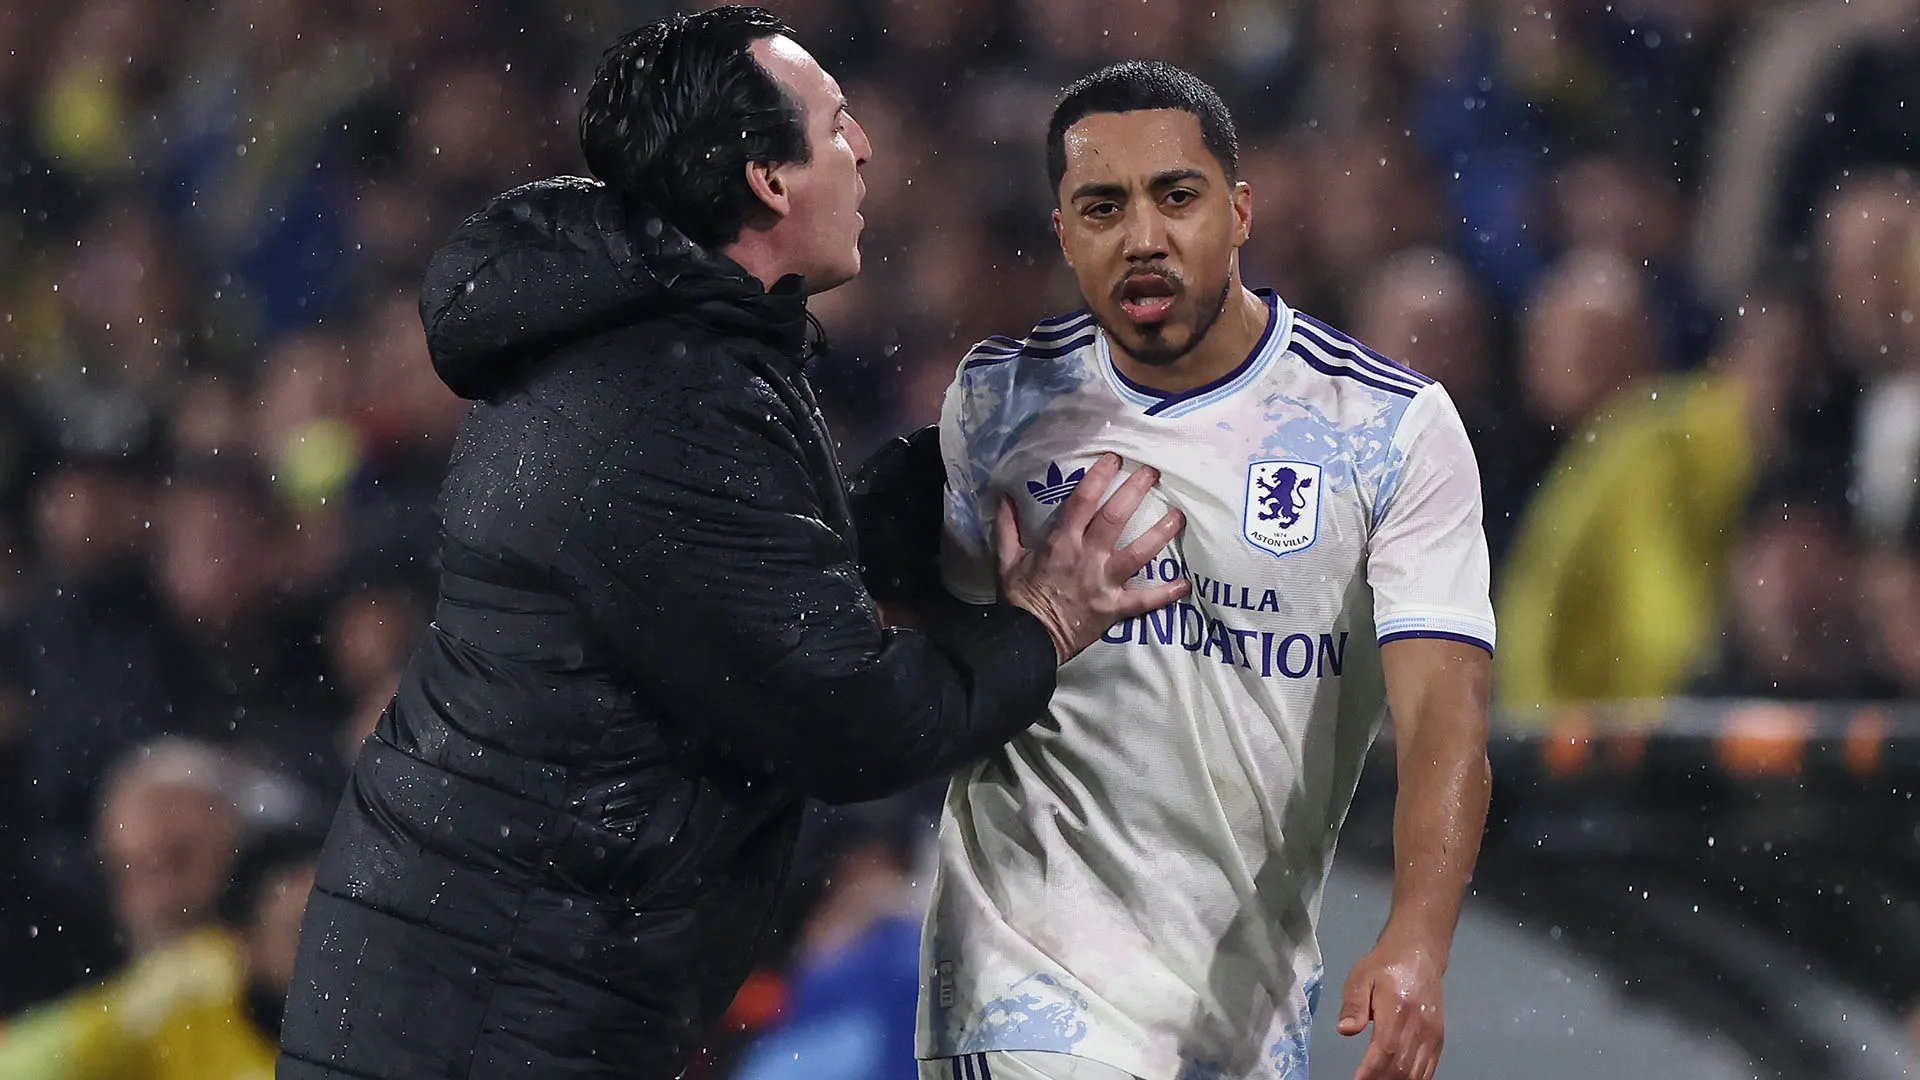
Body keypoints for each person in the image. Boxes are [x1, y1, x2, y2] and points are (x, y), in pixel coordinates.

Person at [276, 10, 1187, 1080]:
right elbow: (850, 720)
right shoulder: (665, 394)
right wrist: (1044, 622)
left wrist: (955, 466)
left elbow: (740, 588)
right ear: (767, 179)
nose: (864, 148)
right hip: (494, 1012)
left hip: (469, 980)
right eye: (836, 125)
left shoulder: (648, 341)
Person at [916, 62, 1495, 1080]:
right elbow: (922, 680)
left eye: (1176, 197)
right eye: (1103, 207)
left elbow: (1444, 718)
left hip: (1232, 1027)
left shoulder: (1386, 430)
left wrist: (1419, 938)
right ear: (1064, 233)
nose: (1143, 236)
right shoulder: (996, 408)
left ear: (1240, 213)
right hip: (1022, 1008)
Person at [0, 826, 322, 1080]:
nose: (327, 952)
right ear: (246, 938)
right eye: (299, 929)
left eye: (343, 935)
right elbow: (28, 1063)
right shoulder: (185, 998)